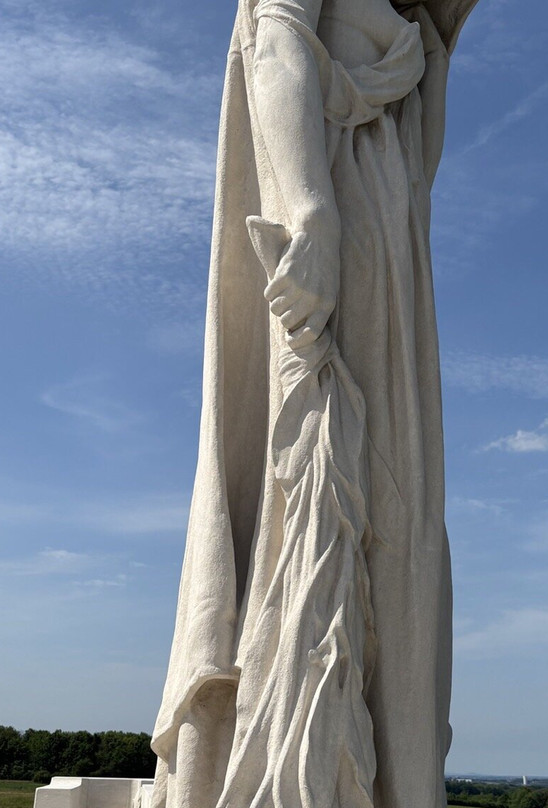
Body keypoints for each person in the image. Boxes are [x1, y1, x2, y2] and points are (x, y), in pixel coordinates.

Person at [150, 1, 476, 805]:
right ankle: (299, 757)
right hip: (330, 225)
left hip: (390, 262)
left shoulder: (418, 36)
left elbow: (420, 171)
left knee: (401, 524)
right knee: (316, 486)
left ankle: (397, 775)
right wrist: (311, 209)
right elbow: (276, 38)